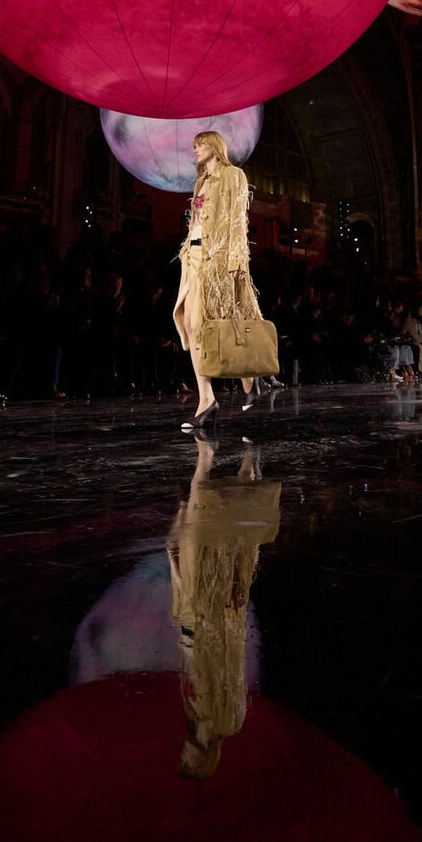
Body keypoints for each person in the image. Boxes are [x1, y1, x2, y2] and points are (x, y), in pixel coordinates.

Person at [169, 437, 281, 780]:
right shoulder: (227, 718)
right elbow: (228, 658)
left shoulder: (196, 709)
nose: (185, 752)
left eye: (183, 758)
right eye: (190, 760)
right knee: (217, 536)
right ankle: (237, 462)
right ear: (203, 760)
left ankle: (216, 459)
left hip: (193, 610)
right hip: (208, 613)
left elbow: (194, 652)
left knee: (197, 529)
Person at [173, 131, 261, 430]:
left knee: (220, 322)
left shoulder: (233, 175)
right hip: (192, 257)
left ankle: (246, 379)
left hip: (218, 258)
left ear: (215, 146)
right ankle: (209, 397)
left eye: (201, 144)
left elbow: (238, 219)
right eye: (194, 145)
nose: (196, 149)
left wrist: (237, 259)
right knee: (189, 323)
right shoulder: (201, 182)